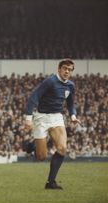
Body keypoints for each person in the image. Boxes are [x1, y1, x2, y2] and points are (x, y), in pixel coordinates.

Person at [24, 59, 81, 190]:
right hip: (42, 117)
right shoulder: (50, 81)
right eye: (65, 68)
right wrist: (28, 118)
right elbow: (34, 97)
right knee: (41, 157)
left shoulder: (71, 86)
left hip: (57, 117)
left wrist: (73, 115)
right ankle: (32, 145)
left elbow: (71, 103)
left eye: (70, 69)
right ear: (59, 69)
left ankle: (51, 182)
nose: (67, 71)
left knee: (62, 148)